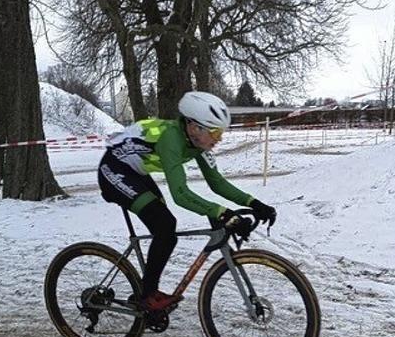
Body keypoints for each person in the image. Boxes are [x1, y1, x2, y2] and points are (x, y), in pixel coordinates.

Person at [97, 91, 277, 312]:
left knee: (166, 231)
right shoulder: (170, 138)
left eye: (220, 132)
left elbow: (217, 183)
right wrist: (221, 212)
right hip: (114, 170)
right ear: (193, 126)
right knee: (164, 225)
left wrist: (255, 203)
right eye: (215, 132)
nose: (218, 139)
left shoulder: (198, 144)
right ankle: (147, 296)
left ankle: (145, 292)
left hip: (136, 173)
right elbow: (180, 194)